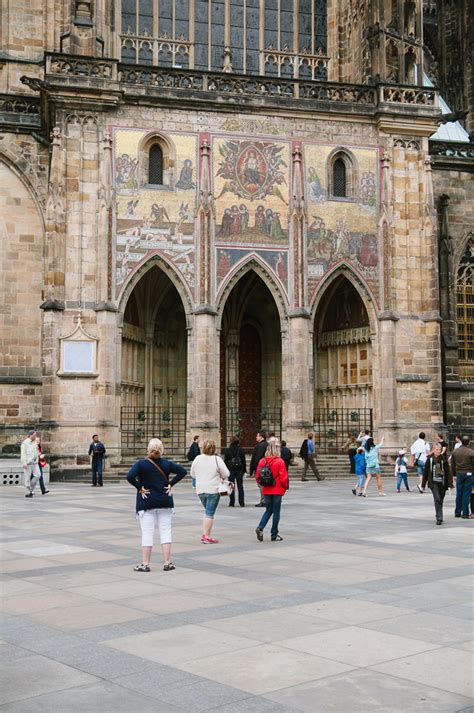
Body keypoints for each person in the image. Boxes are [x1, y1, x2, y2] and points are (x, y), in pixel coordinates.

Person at [127, 438, 186, 572]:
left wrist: (140, 487)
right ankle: (167, 562)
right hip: (164, 501)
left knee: (147, 533)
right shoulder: (166, 463)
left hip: (147, 501)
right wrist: (171, 484)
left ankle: (146, 564)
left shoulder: (141, 464)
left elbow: (130, 476)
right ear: (161, 449)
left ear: (148, 449)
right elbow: (182, 471)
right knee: (166, 531)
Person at [191, 440, 230, 543]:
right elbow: (226, 473)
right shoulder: (217, 459)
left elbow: (192, 474)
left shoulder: (197, 459)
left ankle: (206, 534)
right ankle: (206, 536)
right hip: (213, 489)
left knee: (207, 512)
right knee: (209, 513)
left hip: (200, 490)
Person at [255, 439, 289, 542]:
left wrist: (263, 484)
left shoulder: (262, 461)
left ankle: (260, 527)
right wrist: (285, 486)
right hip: (277, 489)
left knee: (268, 510)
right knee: (276, 512)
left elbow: (257, 476)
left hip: (266, 489)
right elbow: (283, 477)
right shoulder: (280, 461)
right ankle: (274, 534)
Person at [422, 443, 453, 525]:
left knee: (440, 500)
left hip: (442, 483)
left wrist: (450, 483)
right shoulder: (430, 459)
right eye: (436, 449)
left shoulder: (444, 459)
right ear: (433, 450)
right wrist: (423, 485)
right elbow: (425, 472)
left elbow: (448, 472)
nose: (438, 451)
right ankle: (439, 518)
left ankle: (439, 514)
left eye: (439, 449)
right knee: (437, 499)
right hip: (433, 483)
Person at [451, 435, 474, 520]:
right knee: (466, 494)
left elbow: (452, 465)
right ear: (468, 442)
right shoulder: (471, 452)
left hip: (459, 474)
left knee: (459, 493)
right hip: (469, 474)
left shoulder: (455, 451)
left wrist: (453, 475)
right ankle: (465, 513)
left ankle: (457, 512)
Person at [224, 436, 246, 507]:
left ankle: (232, 502)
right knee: (240, 486)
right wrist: (244, 470)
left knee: (231, 486)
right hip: (239, 469)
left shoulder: (227, 450)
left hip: (231, 470)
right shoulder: (241, 449)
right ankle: (241, 502)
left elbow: (225, 461)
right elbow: (243, 461)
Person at [249, 431, 268, 507]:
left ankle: (263, 501)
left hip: (260, 468)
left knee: (261, 485)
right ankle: (266, 500)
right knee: (264, 485)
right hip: (265, 467)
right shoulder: (266, 445)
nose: (256, 437)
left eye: (257, 436)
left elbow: (257, 458)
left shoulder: (261, 446)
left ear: (262, 437)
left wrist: (253, 468)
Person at [21, 429, 39, 498]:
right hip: (28, 463)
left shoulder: (35, 442)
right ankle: (28, 492)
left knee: (37, 475)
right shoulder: (25, 443)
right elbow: (23, 454)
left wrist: (37, 459)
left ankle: (30, 489)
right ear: (31, 435)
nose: (36, 436)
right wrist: (24, 463)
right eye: (35, 435)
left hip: (35, 463)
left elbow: (36, 452)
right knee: (27, 478)